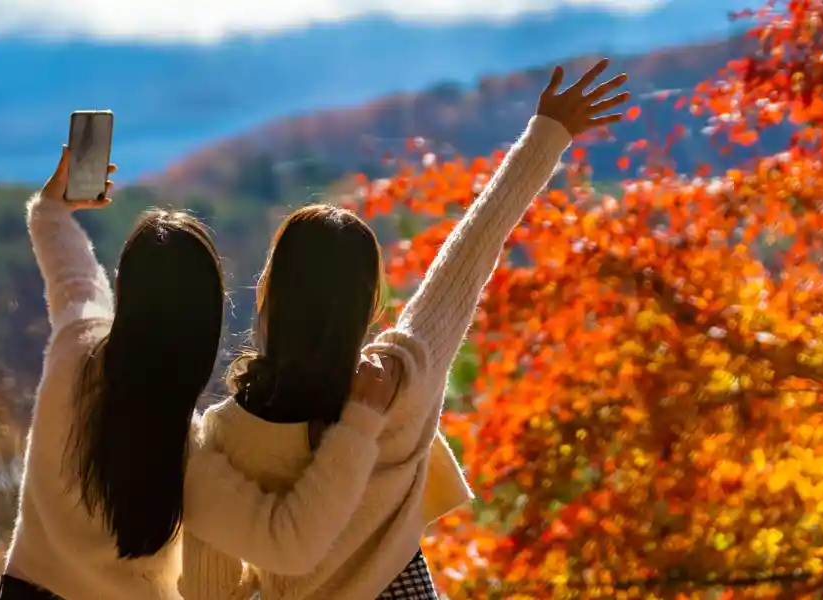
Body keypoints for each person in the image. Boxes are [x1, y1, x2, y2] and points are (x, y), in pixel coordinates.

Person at [178, 60, 629, 600]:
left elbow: (212, 588)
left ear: (269, 292)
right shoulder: (398, 380)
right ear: (371, 303)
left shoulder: (227, 436)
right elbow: (471, 253)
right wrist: (547, 134)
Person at [2, 144, 402, 600]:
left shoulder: (76, 347)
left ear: (125, 288)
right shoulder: (182, 453)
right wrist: (361, 423)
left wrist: (51, 209)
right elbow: (290, 544)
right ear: (207, 327)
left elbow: (72, 276)